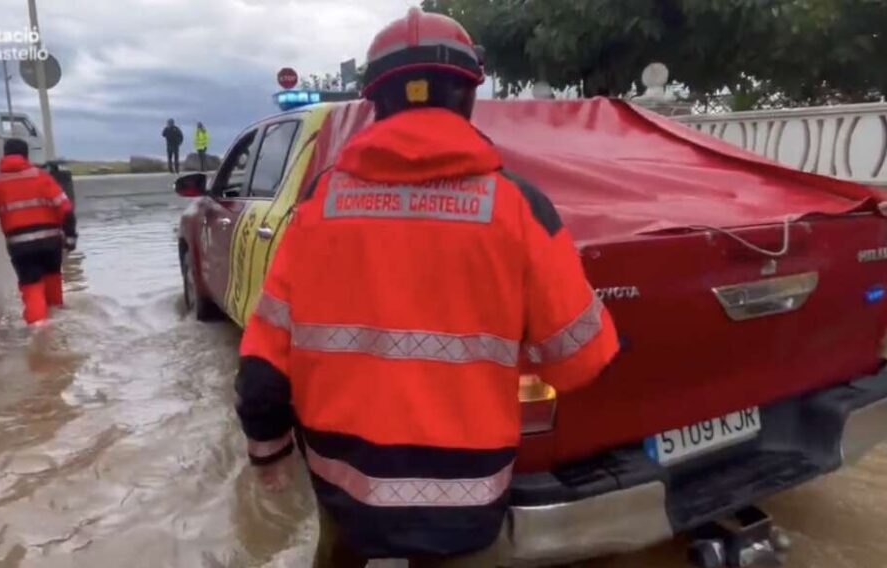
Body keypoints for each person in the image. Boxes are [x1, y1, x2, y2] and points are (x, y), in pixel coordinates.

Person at [235, 7, 620, 568]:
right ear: (467, 96)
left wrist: (267, 453)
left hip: (344, 497)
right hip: (465, 509)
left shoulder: (320, 205)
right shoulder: (518, 207)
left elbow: (264, 363)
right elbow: (580, 361)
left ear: (376, 101)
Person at [0, 138, 77, 326]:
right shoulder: (42, 177)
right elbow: (65, 209)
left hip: (20, 245)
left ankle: (38, 336)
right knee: (53, 287)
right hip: (50, 243)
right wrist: (70, 238)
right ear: (26, 155)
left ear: (5, 155)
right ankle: (60, 333)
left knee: (32, 290)